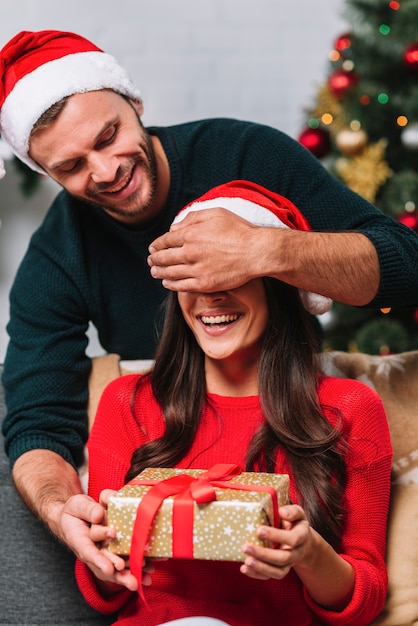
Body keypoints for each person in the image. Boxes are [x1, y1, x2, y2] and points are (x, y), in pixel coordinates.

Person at [0, 29, 413, 583]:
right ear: (47, 174)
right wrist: (60, 510)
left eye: (109, 135)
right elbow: (35, 416)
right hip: (174, 457)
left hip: (286, 427)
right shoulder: (60, 252)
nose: (104, 171)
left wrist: (267, 248)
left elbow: (407, 266)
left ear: (134, 103)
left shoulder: (246, 153)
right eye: (71, 167)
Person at [74, 182, 392, 625]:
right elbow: (103, 590)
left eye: (230, 273)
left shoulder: (350, 407)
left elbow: (366, 595)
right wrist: (99, 549)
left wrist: (307, 553)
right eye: (193, 275)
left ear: (277, 283)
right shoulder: (129, 402)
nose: (210, 295)